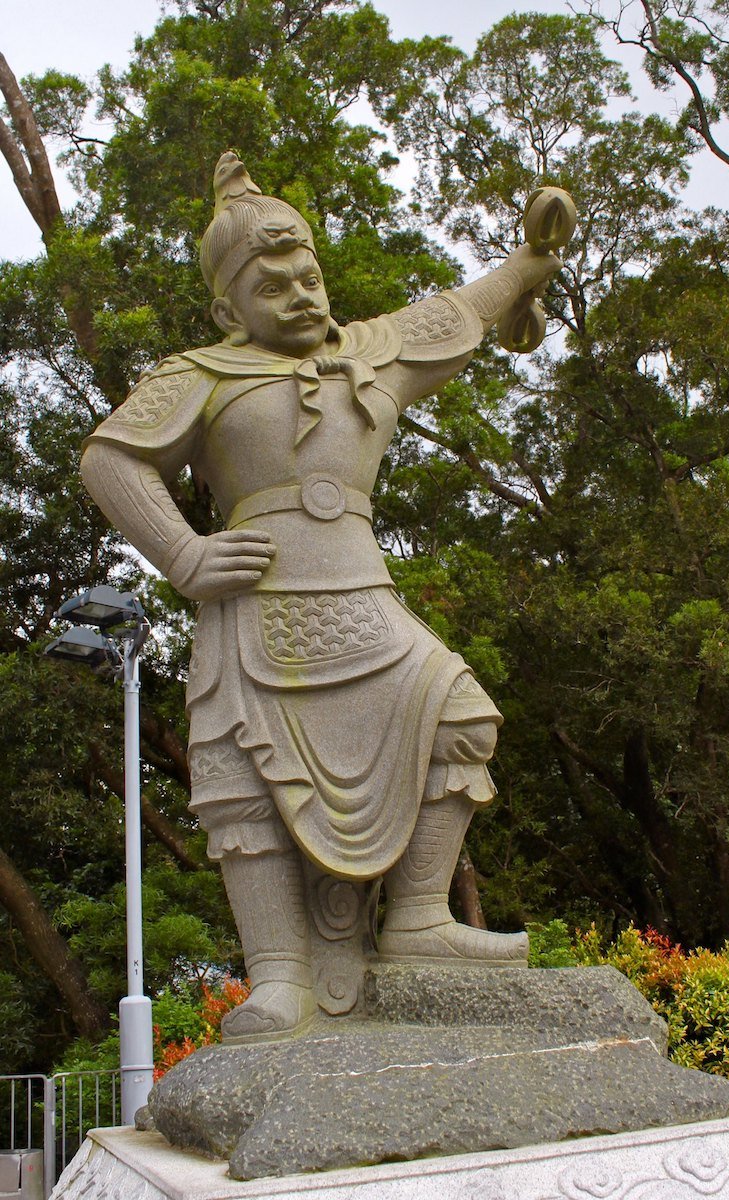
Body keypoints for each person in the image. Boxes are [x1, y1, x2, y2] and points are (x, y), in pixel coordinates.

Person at [81, 152, 572, 1040]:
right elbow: (111, 458)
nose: (302, 296)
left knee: (462, 715)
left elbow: (461, 309)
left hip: (364, 594)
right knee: (240, 786)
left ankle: (420, 915)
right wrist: (184, 553)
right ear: (230, 307)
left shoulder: (371, 353)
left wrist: (530, 262)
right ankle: (280, 975)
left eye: (309, 276)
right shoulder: (198, 373)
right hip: (257, 606)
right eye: (275, 287)